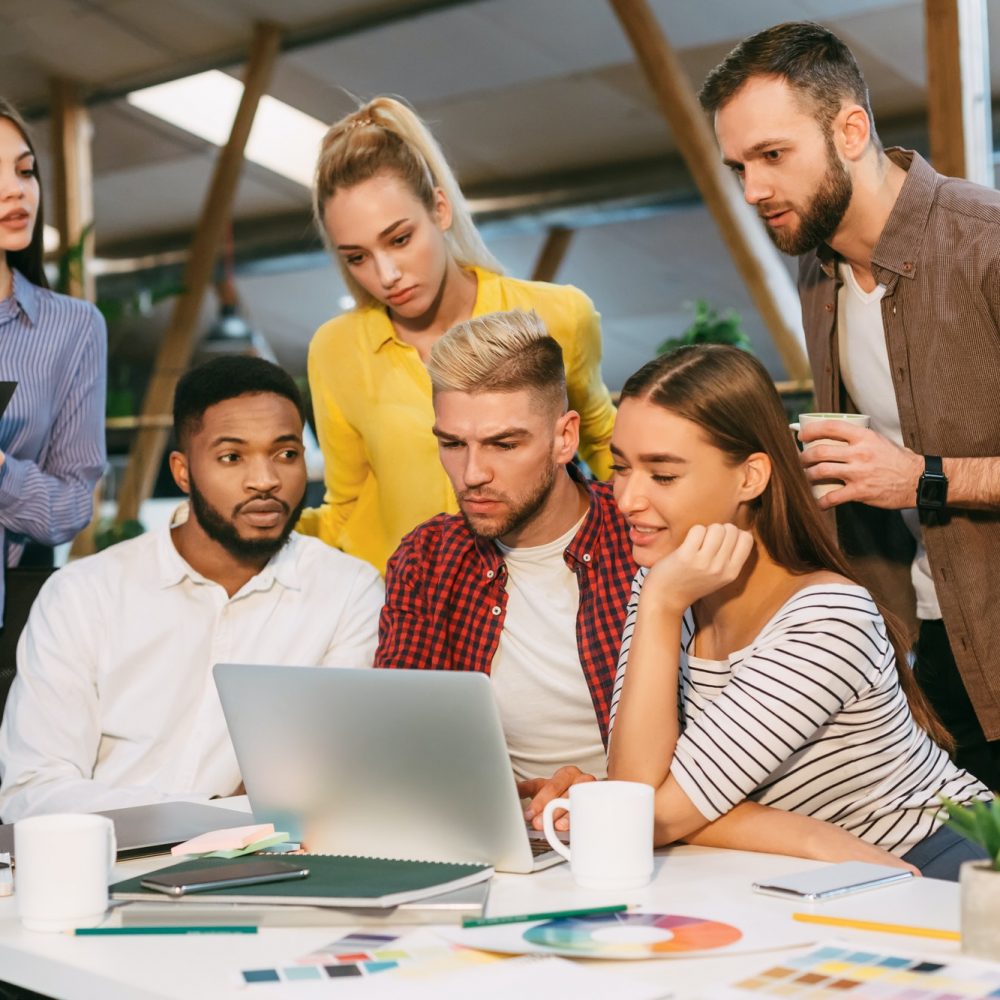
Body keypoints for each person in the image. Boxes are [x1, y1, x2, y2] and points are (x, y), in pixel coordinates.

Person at [699, 22, 1000, 791]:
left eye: (772, 156)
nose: (753, 190)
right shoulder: (820, 278)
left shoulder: (986, 246)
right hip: (935, 646)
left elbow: (908, 477)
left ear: (852, 129)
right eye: (738, 165)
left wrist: (924, 478)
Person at [606, 345, 991, 880]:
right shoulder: (667, 583)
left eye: (663, 475)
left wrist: (633, 810)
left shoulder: (827, 618)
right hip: (829, 865)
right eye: (619, 467)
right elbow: (635, 800)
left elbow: (640, 815)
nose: (626, 499)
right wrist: (812, 839)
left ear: (751, 477)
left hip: (947, 863)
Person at [0, 356, 383, 822]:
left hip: (260, 874)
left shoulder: (349, 593)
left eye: (286, 454)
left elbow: (323, 786)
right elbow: (32, 792)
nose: (265, 481)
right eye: (231, 457)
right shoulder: (83, 595)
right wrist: (204, 815)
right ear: (182, 472)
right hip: (100, 867)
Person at [297, 96, 616, 574]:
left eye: (399, 239)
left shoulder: (560, 315)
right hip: (397, 612)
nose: (386, 275)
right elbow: (346, 507)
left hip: (535, 599)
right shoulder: (335, 349)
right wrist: (232, 533)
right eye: (357, 257)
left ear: (440, 209)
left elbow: (610, 453)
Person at [375, 309, 633, 824]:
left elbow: (715, 742)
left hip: (652, 827)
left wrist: (605, 797)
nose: (472, 474)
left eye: (504, 444)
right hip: (500, 834)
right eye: (452, 444)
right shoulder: (427, 560)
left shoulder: (641, 539)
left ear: (565, 437)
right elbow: (405, 748)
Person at [0, 99, 105, 645]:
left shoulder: (74, 328)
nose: (17, 191)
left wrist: (2, 471)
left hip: (13, 609)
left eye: (24, 170)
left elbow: (70, 506)